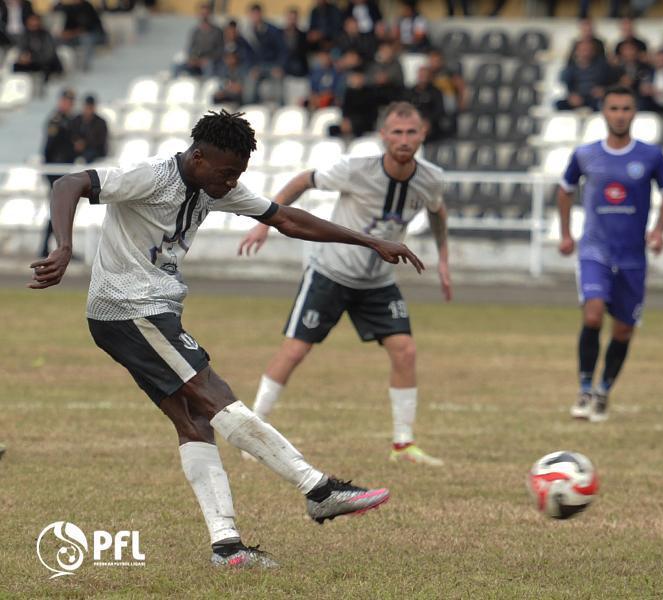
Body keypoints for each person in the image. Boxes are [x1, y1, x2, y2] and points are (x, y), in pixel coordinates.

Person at [29, 110, 424, 568]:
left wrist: (370, 242)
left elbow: (287, 219)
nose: (232, 182)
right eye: (226, 173)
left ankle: (227, 547)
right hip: (129, 309)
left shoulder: (213, 184)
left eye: (237, 173)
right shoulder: (151, 176)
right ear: (198, 157)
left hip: (151, 311)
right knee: (215, 395)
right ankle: (318, 489)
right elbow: (69, 183)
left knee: (195, 420)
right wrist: (64, 246)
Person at [237, 101, 451, 467]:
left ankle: (403, 444)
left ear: (423, 134)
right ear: (383, 136)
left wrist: (444, 258)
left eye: (411, 132)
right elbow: (303, 180)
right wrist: (264, 223)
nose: (404, 139)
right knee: (295, 351)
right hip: (331, 273)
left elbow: (437, 210)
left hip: (378, 281)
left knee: (405, 351)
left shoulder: (431, 179)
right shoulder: (355, 169)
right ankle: (253, 434)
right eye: (396, 132)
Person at [558, 86, 663, 422]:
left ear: (634, 113)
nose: (620, 115)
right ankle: (584, 389)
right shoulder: (585, 154)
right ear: (604, 112)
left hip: (632, 256)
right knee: (593, 315)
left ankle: (603, 391)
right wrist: (566, 233)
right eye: (614, 108)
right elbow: (565, 190)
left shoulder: (651, 156)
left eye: (626, 108)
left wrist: (658, 230)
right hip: (595, 250)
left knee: (623, 330)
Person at [39, 88, 77, 258]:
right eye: (66, 101)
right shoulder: (56, 120)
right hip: (56, 172)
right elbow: (49, 149)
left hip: (65, 171)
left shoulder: (70, 121)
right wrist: (48, 171)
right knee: (57, 210)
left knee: (62, 211)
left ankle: (58, 247)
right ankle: (53, 247)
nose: (68, 105)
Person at [556, 39, 620, 112]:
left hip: (596, 98)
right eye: (582, 50)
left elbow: (614, 83)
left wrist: (604, 90)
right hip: (577, 97)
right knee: (559, 104)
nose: (585, 52)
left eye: (588, 49)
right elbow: (563, 84)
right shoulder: (570, 68)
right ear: (576, 51)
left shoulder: (603, 66)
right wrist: (571, 95)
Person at [244, 4, 286, 104]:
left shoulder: (272, 30)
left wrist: (279, 66)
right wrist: (251, 67)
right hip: (257, 66)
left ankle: (279, 106)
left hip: (272, 65)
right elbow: (247, 54)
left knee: (278, 80)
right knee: (250, 81)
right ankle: (249, 106)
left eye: (257, 14)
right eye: (253, 14)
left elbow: (282, 50)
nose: (255, 17)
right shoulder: (248, 32)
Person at [174, 2, 223, 78]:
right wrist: (192, 59)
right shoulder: (195, 31)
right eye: (202, 14)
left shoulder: (217, 31)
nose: (204, 16)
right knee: (177, 67)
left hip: (210, 61)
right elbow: (190, 47)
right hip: (196, 59)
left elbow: (220, 50)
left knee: (209, 66)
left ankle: (207, 82)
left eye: (206, 13)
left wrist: (207, 59)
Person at [54, 0, 106, 71]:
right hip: (75, 36)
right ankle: (58, 67)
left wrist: (71, 33)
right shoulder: (70, 8)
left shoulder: (87, 6)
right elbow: (68, 26)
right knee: (57, 39)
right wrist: (65, 33)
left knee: (86, 38)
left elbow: (86, 28)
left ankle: (85, 66)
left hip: (95, 35)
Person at [13, 13, 63, 83]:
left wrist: (32, 58)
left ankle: (45, 86)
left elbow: (49, 53)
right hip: (31, 61)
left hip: (45, 61)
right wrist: (23, 56)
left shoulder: (46, 34)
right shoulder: (25, 34)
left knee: (47, 66)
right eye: (31, 21)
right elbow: (22, 48)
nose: (33, 23)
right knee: (17, 66)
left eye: (35, 21)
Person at [71, 94, 108, 163]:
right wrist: (76, 142)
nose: (88, 110)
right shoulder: (76, 120)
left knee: (90, 154)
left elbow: (100, 142)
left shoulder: (100, 122)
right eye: (86, 107)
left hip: (94, 151)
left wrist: (85, 144)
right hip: (77, 149)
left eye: (90, 107)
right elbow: (72, 133)